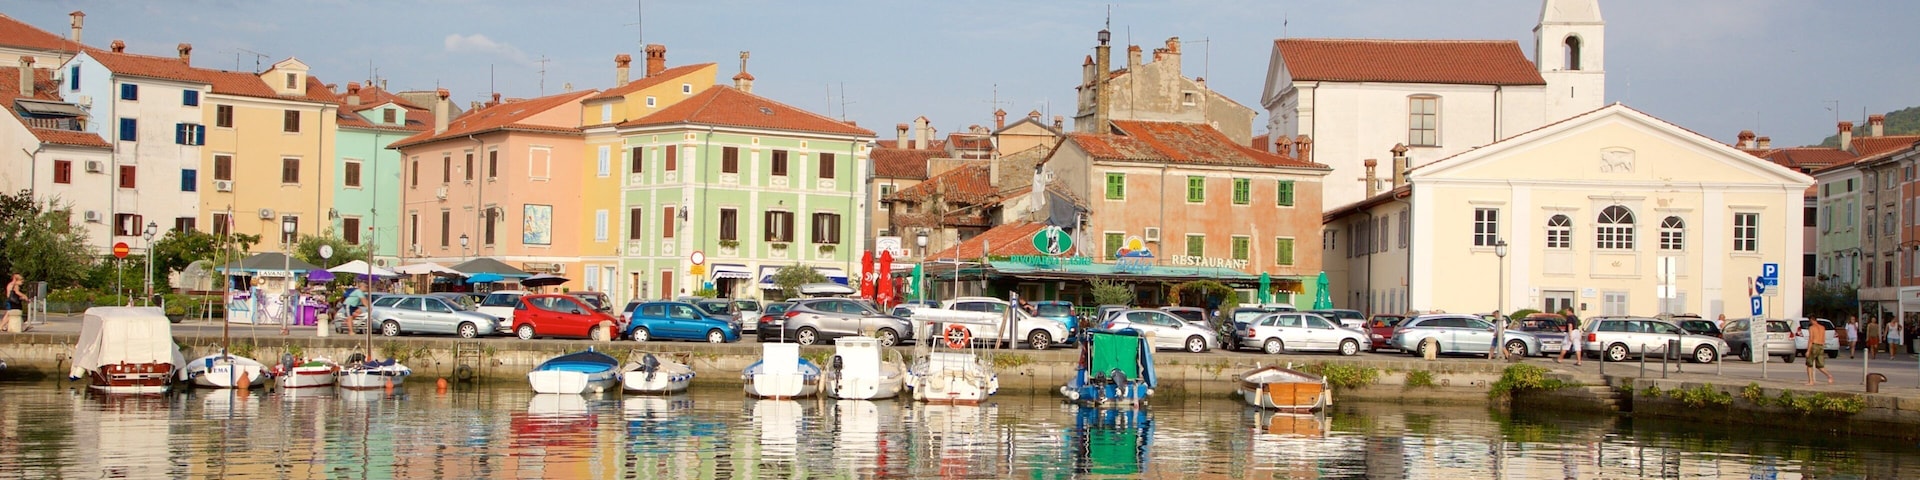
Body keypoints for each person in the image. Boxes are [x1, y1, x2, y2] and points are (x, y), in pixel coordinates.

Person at [1805, 318, 1834, 385]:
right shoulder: (1822, 327)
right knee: (1820, 365)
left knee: (1809, 364)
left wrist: (1808, 350)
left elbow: (1811, 339)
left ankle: (1811, 381)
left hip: (1814, 345)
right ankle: (1829, 375)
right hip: (1821, 346)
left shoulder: (1812, 328)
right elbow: (1823, 338)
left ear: (1811, 320)